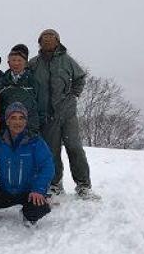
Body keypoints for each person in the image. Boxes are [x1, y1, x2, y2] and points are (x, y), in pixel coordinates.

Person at [29, 29, 100, 200]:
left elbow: (80, 78)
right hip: (46, 115)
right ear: (40, 42)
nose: (48, 41)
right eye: (44, 39)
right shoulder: (33, 64)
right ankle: (55, 184)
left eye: (51, 38)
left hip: (67, 113)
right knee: (51, 152)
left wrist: (74, 94)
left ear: (58, 41)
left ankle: (83, 185)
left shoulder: (67, 61)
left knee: (74, 148)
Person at [0, 102, 54, 227]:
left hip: (28, 191)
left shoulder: (35, 141)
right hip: (5, 191)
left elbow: (48, 166)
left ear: (26, 121)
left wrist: (38, 190)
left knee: (40, 207)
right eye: (13, 118)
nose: (18, 122)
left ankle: (27, 215)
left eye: (21, 118)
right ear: (7, 121)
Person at [0, 44, 43, 134]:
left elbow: (41, 106)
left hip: (29, 129)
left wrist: (37, 126)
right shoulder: (1, 83)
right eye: (13, 60)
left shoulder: (33, 81)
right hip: (7, 130)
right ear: (8, 63)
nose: (16, 63)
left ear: (25, 63)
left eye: (19, 60)